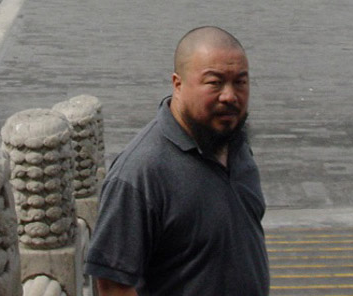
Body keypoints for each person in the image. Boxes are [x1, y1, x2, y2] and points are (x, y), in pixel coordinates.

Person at [84, 26, 270, 296]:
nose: (230, 96)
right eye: (214, 82)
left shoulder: (234, 141)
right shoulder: (140, 172)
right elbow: (113, 284)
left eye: (240, 82)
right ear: (178, 84)